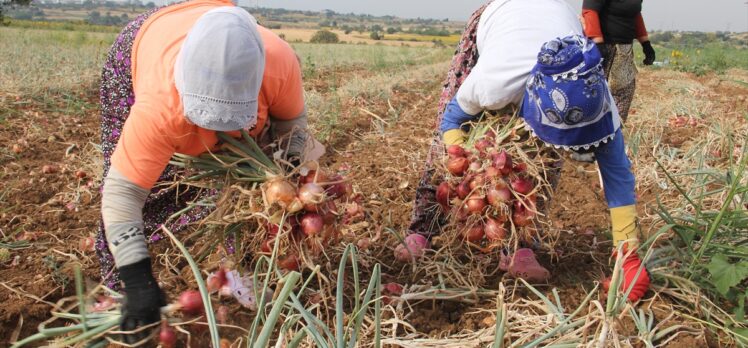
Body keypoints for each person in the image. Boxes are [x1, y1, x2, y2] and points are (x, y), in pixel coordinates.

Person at [402, 0, 649, 302]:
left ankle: (521, 245)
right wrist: (469, 164)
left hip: (556, 20)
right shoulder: (494, 82)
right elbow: (451, 119)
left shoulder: (597, 100)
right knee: (448, 150)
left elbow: (617, 175)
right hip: (501, 15)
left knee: (541, 162)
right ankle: (422, 229)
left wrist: (628, 252)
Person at [96, 0, 310, 341]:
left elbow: (291, 124)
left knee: (246, 182)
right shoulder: (158, 106)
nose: (218, 138)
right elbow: (123, 194)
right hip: (144, 45)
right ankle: (123, 289)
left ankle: (235, 272)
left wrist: (287, 167)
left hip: (219, 37)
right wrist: (138, 278)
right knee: (142, 184)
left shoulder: (279, 64)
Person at [575, 0, 655, 162]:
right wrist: (597, 43)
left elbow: (634, 14)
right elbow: (590, 11)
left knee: (623, 92)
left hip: (623, 50)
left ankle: (608, 144)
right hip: (602, 47)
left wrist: (645, 43)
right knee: (593, 94)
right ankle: (582, 146)